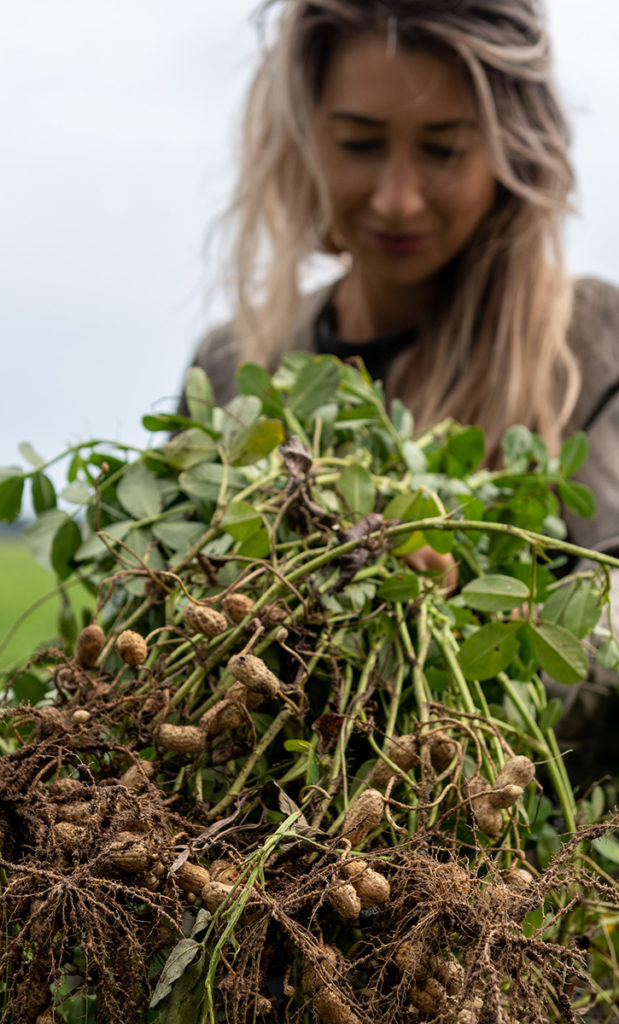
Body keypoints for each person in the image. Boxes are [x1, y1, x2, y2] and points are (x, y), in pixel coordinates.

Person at [187, 0, 619, 783]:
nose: (396, 198)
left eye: (442, 150)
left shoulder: (591, 351)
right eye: (358, 143)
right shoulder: (230, 369)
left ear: (510, 148)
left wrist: (426, 647)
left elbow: (607, 644)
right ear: (306, 136)